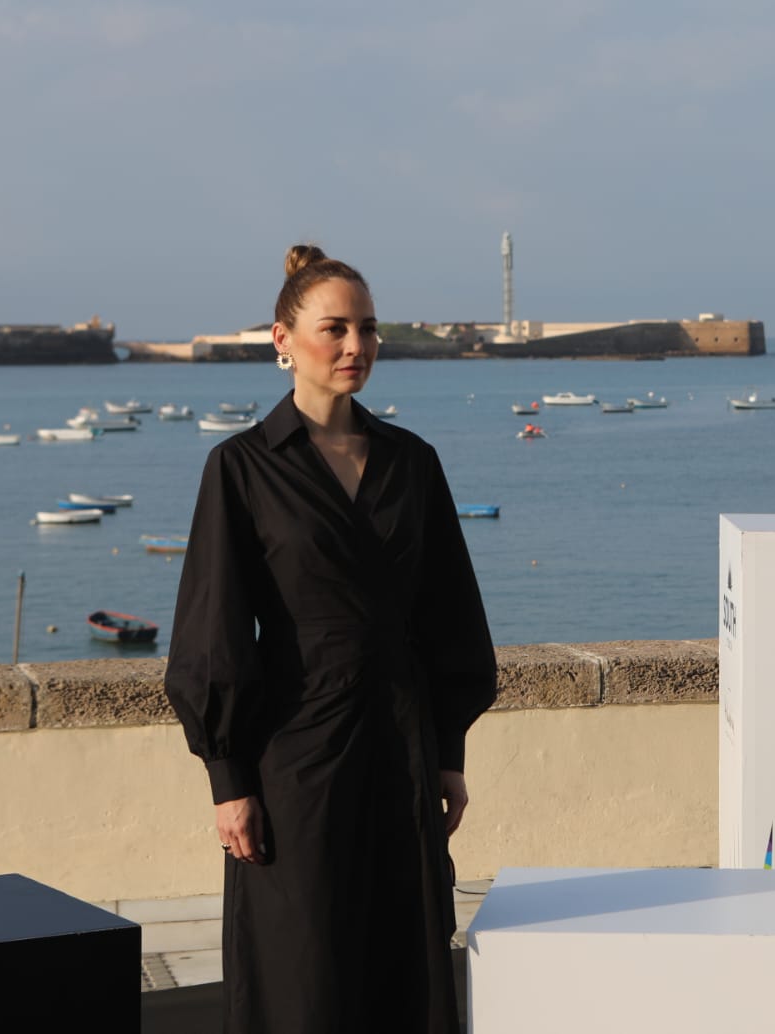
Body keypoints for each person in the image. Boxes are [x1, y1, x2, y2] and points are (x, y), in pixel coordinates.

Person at [165, 244, 497, 1032]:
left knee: (404, 959)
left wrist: (447, 751)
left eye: (370, 330)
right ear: (281, 340)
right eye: (334, 328)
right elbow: (211, 631)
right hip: (292, 758)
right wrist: (228, 779)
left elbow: (451, 618)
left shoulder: (411, 463)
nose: (357, 347)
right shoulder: (241, 468)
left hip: (400, 748)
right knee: (301, 968)